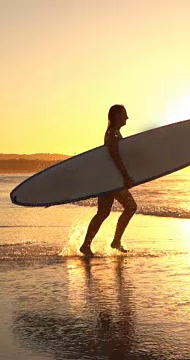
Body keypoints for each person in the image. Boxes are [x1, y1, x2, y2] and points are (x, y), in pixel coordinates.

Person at [79, 105, 137, 256]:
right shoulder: (112, 133)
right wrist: (125, 176)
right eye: (125, 114)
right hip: (112, 180)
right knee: (130, 207)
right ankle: (115, 241)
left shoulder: (114, 133)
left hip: (109, 179)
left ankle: (86, 245)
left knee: (103, 212)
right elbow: (115, 156)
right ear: (117, 115)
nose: (127, 117)